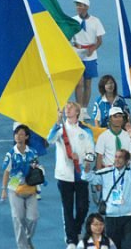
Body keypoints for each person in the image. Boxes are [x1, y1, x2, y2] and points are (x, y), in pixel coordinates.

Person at [47, 101, 95, 249]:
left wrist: (86, 162)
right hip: (64, 175)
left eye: (70, 108)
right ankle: (71, 240)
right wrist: (56, 121)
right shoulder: (60, 130)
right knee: (67, 208)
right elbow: (50, 140)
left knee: (83, 206)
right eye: (65, 108)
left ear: (77, 112)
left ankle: (75, 229)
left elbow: (91, 152)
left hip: (81, 174)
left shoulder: (86, 131)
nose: (67, 110)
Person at [82, 149, 131, 249]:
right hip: (111, 218)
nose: (117, 160)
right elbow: (87, 177)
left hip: (129, 216)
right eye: (116, 157)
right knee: (113, 246)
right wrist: (87, 164)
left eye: (120, 157)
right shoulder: (106, 172)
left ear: (127, 161)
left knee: (130, 246)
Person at [1, 124, 39, 249]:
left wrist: (38, 185)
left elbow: (36, 169)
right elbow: (6, 172)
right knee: (18, 218)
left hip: (30, 186)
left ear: (27, 137)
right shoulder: (10, 154)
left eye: (22, 134)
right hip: (14, 185)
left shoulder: (33, 152)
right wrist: (4, 190)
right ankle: (22, 246)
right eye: (16, 134)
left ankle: (27, 238)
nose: (18, 136)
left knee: (32, 218)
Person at [71, 0, 105, 121]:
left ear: (86, 7)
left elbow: (100, 40)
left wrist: (93, 49)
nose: (78, 7)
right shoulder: (72, 21)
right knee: (78, 84)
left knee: (87, 83)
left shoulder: (95, 21)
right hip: (76, 53)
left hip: (90, 55)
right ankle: (78, 109)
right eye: (77, 5)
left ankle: (84, 109)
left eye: (80, 5)